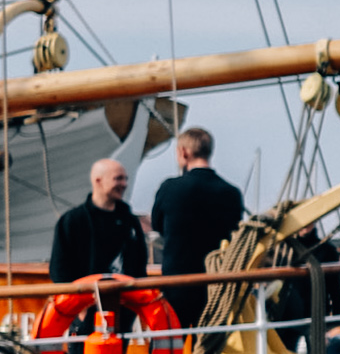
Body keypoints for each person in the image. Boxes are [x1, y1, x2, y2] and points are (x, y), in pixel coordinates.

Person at [148, 127, 246, 327]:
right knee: (211, 343)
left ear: (184, 152)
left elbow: (158, 226)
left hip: (177, 283)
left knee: (169, 345)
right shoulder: (231, 193)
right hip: (216, 283)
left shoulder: (170, 188)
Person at [48, 158, 148, 284]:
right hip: (86, 300)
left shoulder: (130, 221)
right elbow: (59, 270)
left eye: (125, 179)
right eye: (118, 178)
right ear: (98, 181)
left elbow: (140, 264)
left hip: (126, 299)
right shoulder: (72, 221)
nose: (124, 184)